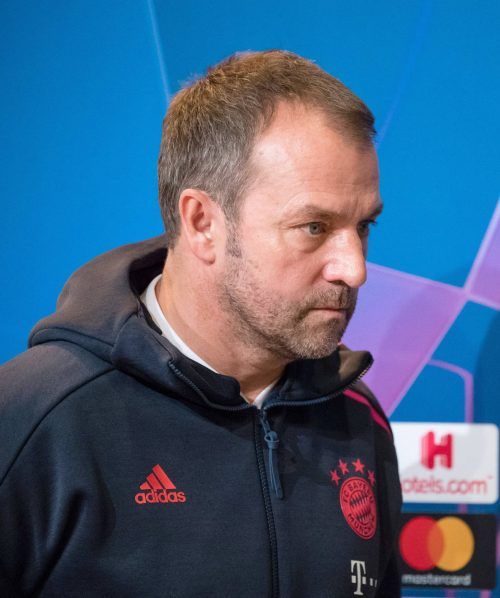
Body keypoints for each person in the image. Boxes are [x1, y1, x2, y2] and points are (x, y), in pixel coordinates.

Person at [0, 50, 401, 597]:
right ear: (203, 222)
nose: (354, 269)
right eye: (314, 227)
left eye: (364, 226)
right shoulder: (33, 421)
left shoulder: (358, 419)